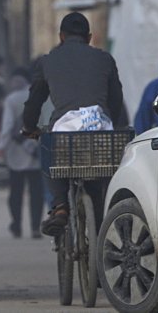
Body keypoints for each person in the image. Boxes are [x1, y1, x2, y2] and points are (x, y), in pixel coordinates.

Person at [21, 12, 128, 236]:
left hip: (65, 131)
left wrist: (29, 127)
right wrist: (112, 123)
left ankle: (60, 206)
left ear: (61, 36)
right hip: (99, 129)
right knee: (99, 174)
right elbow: (116, 100)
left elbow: (34, 101)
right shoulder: (105, 59)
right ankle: (103, 219)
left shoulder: (47, 61)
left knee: (48, 148)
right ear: (89, 37)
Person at [0, 68, 43, 239]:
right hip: (35, 149)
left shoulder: (11, 99)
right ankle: (35, 227)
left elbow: (7, 126)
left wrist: (1, 146)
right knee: (36, 193)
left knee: (15, 192)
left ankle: (16, 225)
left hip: (15, 151)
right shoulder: (38, 97)